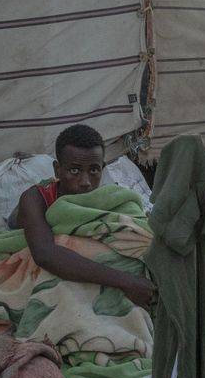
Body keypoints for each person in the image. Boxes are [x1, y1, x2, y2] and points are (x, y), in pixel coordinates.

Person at [13, 125, 157, 309]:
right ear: (57, 170)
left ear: (102, 169)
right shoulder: (36, 198)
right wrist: (126, 281)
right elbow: (44, 254)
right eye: (75, 171)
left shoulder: (106, 199)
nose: (85, 182)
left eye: (94, 170)